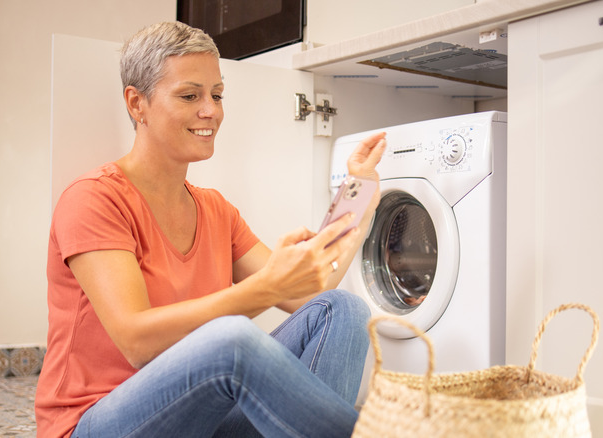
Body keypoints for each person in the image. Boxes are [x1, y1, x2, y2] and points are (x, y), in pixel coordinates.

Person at [34, 21, 387, 438]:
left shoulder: (215, 210)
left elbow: (316, 285)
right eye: (190, 95)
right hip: (95, 424)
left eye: (217, 95)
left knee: (342, 310)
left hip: (200, 423)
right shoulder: (95, 199)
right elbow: (136, 341)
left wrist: (360, 193)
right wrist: (266, 290)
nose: (211, 110)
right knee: (230, 341)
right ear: (136, 103)